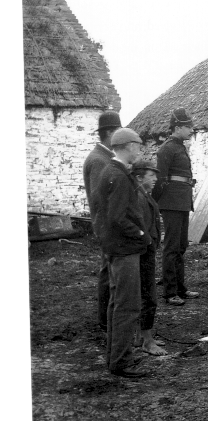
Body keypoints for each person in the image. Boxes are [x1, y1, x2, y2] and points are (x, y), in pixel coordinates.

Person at [91, 128, 150, 378]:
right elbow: (117, 217)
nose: (140, 150)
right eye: (138, 145)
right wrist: (140, 234)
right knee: (128, 306)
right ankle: (122, 361)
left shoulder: (110, 172)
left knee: (116, 304)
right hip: (125, 250)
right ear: (126, 146)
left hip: (114, 248)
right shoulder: (119, 175)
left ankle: (115, 358)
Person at [153, 108, 200, 306]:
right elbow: (160, 179)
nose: (191, 129)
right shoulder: (167, 149)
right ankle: (170, 291)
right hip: (171, 203)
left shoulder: (180, 147)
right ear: (178, 127)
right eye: (188, 126)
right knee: (171, 247)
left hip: (181, 202)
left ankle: (180, 287)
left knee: (181, 246)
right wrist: (155, 203)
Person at [83, 110, 122, 332]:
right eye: (117, 132)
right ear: (109, 133)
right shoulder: (99, 160)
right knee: (108, 272)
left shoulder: (105, 157)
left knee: (109, 271)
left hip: (108, 224)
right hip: (107, 225)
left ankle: (107, 319)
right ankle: (105, 321)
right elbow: (100, 199)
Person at [132, 160, 167, 357]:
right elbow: (142, 227)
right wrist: (149, 244)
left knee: (143, 293)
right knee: (148, 296)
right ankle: (147, 340)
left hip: (146, 250)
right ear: (139, 177)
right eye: (151, 175)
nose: (155, 179)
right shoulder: (138, 197)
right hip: (144, 251)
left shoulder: (143, 195)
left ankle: (139, 336)